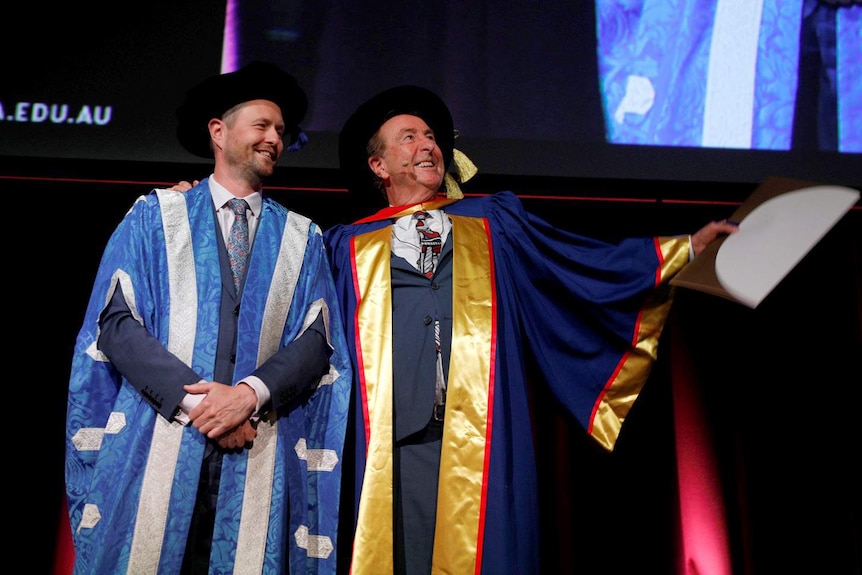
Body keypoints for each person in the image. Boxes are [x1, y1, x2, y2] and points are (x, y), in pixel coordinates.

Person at [320, 85, 739, 575]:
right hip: (391, 441)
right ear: (379, 166)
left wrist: (682, 249)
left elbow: (576, 264)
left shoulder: (492, 220)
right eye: (409, 138)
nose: (427, 146)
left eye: (431, 136)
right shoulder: (348, 246)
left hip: (482, 431)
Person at [65, 61, 351, 575]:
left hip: (258, 444)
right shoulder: (156, 215)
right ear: (218, 132)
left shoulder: (301, 237)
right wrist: (202, 405)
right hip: (160, 440)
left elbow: (317, 339)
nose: (274, 139)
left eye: (281, 132)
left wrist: (246, 397)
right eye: (262, 126)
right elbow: (117, 322)